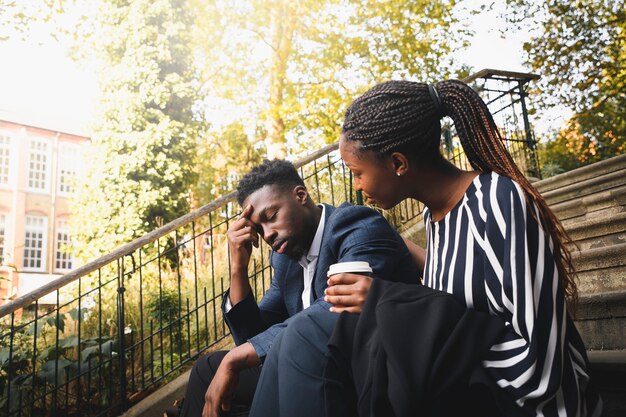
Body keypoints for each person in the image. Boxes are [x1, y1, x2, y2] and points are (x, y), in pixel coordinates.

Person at [251, 80, 602, 417]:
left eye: (357, 173)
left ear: (399, 164)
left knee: (309, 335)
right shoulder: (434, 216)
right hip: (465, 387)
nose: (357, 188)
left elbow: (537, 363)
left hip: (526, 403)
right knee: (313, 344)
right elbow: (457, 299)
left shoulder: (498, 200)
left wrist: (386, 303)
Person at [178, 159, 420, 417]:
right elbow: (254, 337)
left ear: (301, 195)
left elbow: (338, 306)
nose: (267, 234)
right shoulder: (285, 260)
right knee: (207, 370)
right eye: (259, 229)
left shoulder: (353, 224)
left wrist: (237, 357)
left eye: (271, 217)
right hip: (306, 365)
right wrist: (238, 269)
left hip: (370, 371)